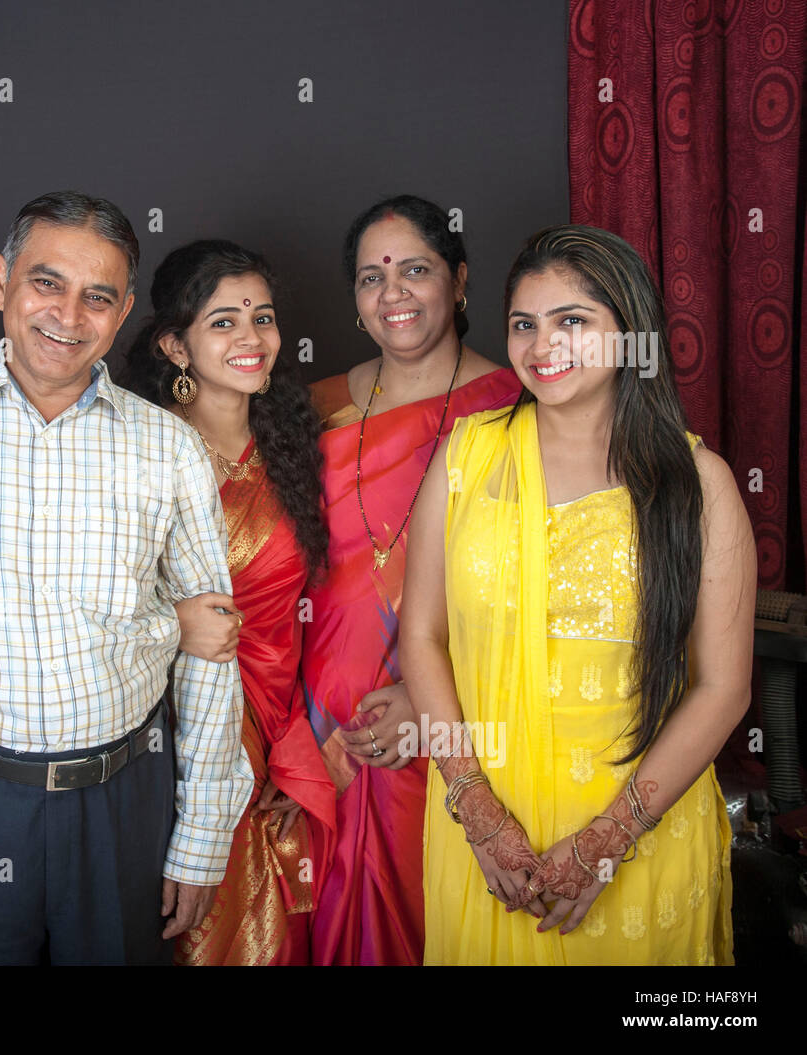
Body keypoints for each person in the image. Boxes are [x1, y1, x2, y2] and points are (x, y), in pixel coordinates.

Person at [0, 192, 254, 965]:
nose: (68, 313)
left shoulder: (167, 448)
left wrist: (200, 835)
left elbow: (213, 648)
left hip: (125, 798)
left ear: (124, 309)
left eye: (98, 296)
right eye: (46, 283)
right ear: (1, 281)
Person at [401, 224, 752, 964]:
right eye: (525, 324)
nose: (541, 345)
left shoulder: (696, 485)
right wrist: (479, 813)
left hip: (639, 828)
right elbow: (422, 636)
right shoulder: (467, 456)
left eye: (572, 321)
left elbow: (723, 688)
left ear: (630, 335)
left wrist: (609, 837)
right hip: (487, 833)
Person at [301, 195, 522, 965]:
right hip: (319, 721)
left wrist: (429, 700)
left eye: (415, 270)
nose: (392, 293)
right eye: (371, 277)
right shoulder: (316, 406)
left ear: (459, 282)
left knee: (427, 922)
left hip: (440, 722)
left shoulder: (515, 409)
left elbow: (539, 588)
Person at [118, 240, 336, 965]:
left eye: (263, 317)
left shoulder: (297, 450)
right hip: (173, 739)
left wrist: (303, 745)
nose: (252, 337)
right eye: (223, 322)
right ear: (175, 345)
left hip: (281, 728)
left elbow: (328, 614)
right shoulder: (140, 458)